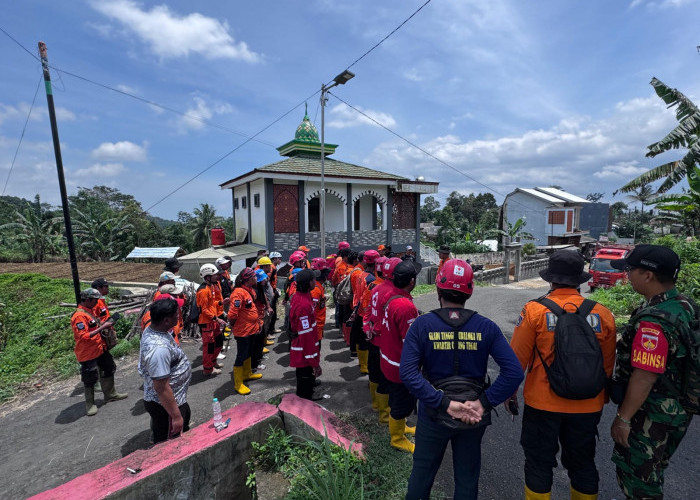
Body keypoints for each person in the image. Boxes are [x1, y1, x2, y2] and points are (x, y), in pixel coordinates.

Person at [400, 259, 523, 500]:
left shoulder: (422, 325)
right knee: (467, 479)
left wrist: (444, 403)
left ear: (437, 289)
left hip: (433, 414)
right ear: (470, 291)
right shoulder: (487, 327)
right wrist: (484, 403)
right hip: (472, 416)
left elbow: (408, 373)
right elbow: (514, 372)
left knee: (421, 476)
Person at [509, 250, 617, 500]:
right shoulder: (603, 314)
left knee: (538, 463)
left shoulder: (534, 311)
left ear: (551, 279)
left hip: (542, 403)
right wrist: (601, 399)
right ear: (579, 279)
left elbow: (516, 360)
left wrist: (510, 394)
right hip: (588, 403)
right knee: (583, 464)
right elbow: (607, 365)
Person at [609, 245, 697, 500]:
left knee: (639, 481)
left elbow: (645, 374)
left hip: (652, 413)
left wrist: (623, 419)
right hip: (678, 407)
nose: (627, 276)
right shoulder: (683, 305)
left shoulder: (654, 322)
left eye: (630, 270)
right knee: (655, 469)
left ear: (647, 275)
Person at [381, 260, 422, 453]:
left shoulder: (390, 296)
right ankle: (397, 438)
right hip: (399, 365)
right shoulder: (406, 306)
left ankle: (401, 428)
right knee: (400, 403)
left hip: (388, 357)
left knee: (396, 400)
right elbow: (411, 342)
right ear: (411, 281)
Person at [138, 296, 192, 444]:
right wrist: (175, 416)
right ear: (166, 320)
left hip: (173, 399)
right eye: (176, 315)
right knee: (171, 443)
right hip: (165, 406)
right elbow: (161, 387)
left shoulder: (156, 329)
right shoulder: (158, 350)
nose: (179, 316)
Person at [71, 288, 128, 416]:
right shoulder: (79, 316)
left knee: (109, 367)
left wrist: (106, 322)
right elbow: (84, 336)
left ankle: (110, 394)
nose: (97, 303)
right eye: (95, 300)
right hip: (88, 353)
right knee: (90, 378)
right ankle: (90, 404)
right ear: (88, 300)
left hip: (100, 348)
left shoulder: (89, 311)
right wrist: (103, 327)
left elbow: (94, 326)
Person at [365, 257, 402, 423]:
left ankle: (376, 405)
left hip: (373, 338)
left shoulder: (376, 288)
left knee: (374, 374)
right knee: (386, 379)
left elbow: (368, 313)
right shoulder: (393, 292)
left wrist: (368, 328)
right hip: (385, 341)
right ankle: (385, 414)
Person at [228, 268, 263, 395]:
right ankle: (238, 384)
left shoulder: (249, 291)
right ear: (248, 279)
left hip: (251, 329)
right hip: (243, 331)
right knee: (241, 356)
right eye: (254, 276)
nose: (256, 278)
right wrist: (232, 325)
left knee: (249, 352)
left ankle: (247, 373)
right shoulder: (238, 293)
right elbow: (232, 314)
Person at [289, 269, 321, 399]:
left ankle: (309, 388)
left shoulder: (300, 296)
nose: (315, 281)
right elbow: (305, 336)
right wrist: (314, 362)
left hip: (307, 344)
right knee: (305, 374)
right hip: (304, 348)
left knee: (306, 375)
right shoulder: (304, 305)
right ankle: (305, 399)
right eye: (313, 279)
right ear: (309, 283)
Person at [196, 264, 227, 377]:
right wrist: (217, 319)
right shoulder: (203, 291)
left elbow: (211, 304)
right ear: (207, 276)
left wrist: (220, 303)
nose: (217, 277)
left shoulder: (211, 287)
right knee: (209, 347)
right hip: (206, 322)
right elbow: (204, 310)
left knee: (218, 342)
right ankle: (208, 369)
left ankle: (213, 363)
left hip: (213, 320)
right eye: (214, 275)